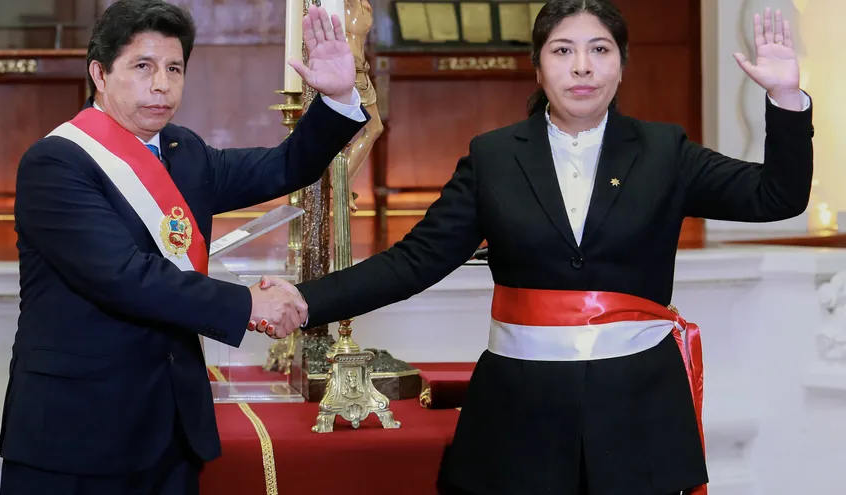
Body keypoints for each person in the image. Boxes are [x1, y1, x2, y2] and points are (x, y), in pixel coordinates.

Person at [260, 1, 813, 494]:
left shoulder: (666, 151)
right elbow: (414, 260)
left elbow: (777, 196)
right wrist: (308, 301)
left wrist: (787, 98)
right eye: (563, 50)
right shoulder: (495, 157)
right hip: (518, 412)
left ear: (621, 62)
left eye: (599, 49)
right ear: (538, 62)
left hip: (639, 408)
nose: (582, 66)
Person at [0, 1, 367, 493]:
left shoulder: (184, 151)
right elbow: (126, 277)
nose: (161, 84)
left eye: (174, 68)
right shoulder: (55, 163)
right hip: (76, 434)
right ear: (100, 74)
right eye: (143, 67)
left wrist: (338, 96)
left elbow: (286, 167)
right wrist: (250, 305)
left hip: (172, 428)